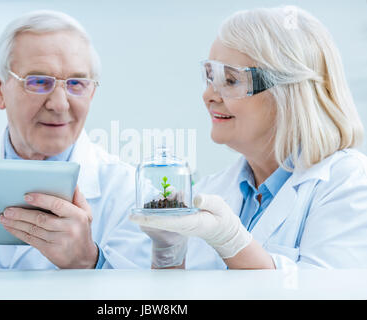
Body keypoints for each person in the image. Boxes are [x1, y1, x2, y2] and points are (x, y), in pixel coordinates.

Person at [130, 6, 367, 269]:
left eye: (230, 80)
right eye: (210, 78)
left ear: (289, 91)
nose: (209, 95)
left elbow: (328, 291)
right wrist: (168, 252)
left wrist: (232, 241)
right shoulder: (211, 190)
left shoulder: (350, 182)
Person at [0, 10, 150, 270]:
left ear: (92, 92)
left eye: (76, 83)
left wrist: (88, 262)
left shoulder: (130, 194)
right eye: (39, 81)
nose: (60, 105)